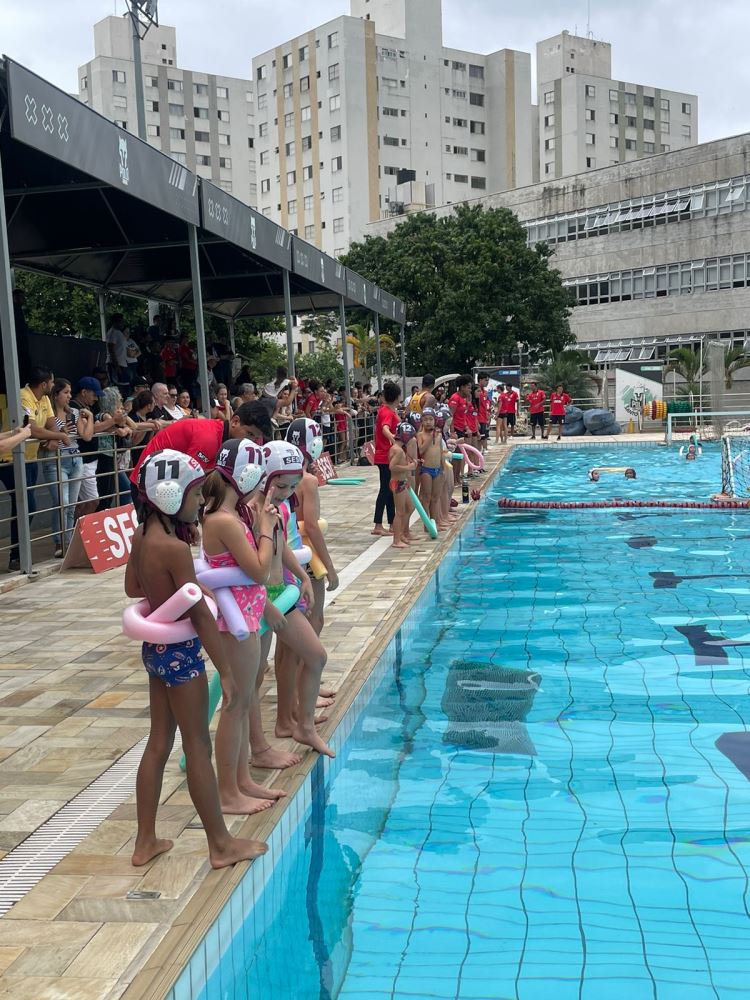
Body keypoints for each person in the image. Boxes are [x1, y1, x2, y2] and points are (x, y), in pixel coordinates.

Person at [125, 449, 266, 868]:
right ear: (169, 498)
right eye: (193, 496)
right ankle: (220, 845)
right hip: (182, 655)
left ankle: (145, 840)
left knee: (158, 743)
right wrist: (226, 671)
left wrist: (167, 594)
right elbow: (201, 616)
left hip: (155, 651)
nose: (199, 503)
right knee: (198, 746)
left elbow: (135, 588)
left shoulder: (142, 538)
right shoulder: (174, 548)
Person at [201, 439, 286, 814]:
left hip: (246, 613)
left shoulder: (231, 516)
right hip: (233, 622)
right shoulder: (223, 521)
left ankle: (241, 781)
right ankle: (227, 792)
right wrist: (267, 527)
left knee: (245, 697)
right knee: (235, 703)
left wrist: (265, 607)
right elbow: (259, 570)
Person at [254, 442, 333, 757]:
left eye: (292, 485)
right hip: (259, 600)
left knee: (315, 656)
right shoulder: (251, 510)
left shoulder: (280, 506)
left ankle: (302, 726)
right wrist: (266, 603)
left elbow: (281, 544)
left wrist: (302, 577)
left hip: (280, 591)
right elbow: (246, 567)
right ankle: (257, 748)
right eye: (281, 485)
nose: (287, 492)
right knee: (252, 681)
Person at [0, 368, 71, 571]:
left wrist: (52, 436)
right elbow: (32, 429)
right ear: (44, 384)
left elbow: (50, 425)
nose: (53, 385)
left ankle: (19, 554)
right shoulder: (24, 397)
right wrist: (58, 437)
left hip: (29, 458)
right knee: (26, 505)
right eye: (52, 382)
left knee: (27, 505)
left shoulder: (45, 399)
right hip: (10, 459)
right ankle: (17, 555)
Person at [129, 401, 275, 500]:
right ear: (235, 421)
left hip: (168, 480)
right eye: (249, 434)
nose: (251, 442)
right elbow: (191, 479)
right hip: (147, 482)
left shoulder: (227, 435)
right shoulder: (208, 438)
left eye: (256, 438)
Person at [40, 378, 94, 557]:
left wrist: (90, 418)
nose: (69, 396)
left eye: (70, 392)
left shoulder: (74, 413)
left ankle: (68, 542)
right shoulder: (49, 416)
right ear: (56, 395)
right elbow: (45, 440)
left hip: (75, 458)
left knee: (71, 504)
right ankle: (59, 542)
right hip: (56, 460)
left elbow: (86, 436)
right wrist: (59, 434)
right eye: (66, 393)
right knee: (61, 502)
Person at [372, 382, 401, 537]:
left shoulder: (388, 410)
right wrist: (393, 438)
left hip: (388, 455)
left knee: (390, 489)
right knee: (385, 489)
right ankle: (378, 524)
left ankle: (392, 523)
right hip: (385, 456)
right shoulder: (386, 412)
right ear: (397, 397)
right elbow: (385, 428)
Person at [416, 408, 448, 531]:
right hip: (426, 470)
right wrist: (430, 437)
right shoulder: (420, 435)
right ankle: (426, 524)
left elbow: (440, 452)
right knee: (426, 498)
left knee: (435, 498)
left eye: (431, 419)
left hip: (437, 469)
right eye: (425, 420)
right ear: (422, 422)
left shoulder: (439, 435)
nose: (428, 422)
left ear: (435, 421)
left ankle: (434, 523)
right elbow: (421, 450)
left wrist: (443, 468)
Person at [389, 422, 418, 549]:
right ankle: (396, 540)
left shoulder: (399, 449)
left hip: (402, 481)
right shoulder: (398, 450)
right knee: (400, 512)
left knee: (410, 507)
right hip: (397, 482)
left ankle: (401, 534)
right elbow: (392, 467)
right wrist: (409, 467)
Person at [449, 375, 472, 485]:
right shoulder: (455, 398)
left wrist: (466, 427)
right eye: (468, 387)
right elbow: (450, 416)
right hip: (456, 430)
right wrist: (452, 432)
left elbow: (462, 416)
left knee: (459, 456)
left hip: (461, 429)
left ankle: (457, 478)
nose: (470, 390)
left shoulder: (463, 399)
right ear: (462, 387)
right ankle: (454, 479)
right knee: (456, 456)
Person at [106, 314, 129, 387]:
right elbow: (111, 350)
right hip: (116, 364)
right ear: (115, 322)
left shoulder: (119, 333)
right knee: (118, 387)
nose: (122, 323)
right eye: (120, 321)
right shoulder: (113, 333)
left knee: (125, 385)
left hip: (122, 363)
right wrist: (117, 366)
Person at [476, 373, 490, 451]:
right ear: (480, 380)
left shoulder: (485, 392)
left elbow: (485, 405)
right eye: (486, 380)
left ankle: (484, 449)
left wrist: (487, 415)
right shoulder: (477, 391)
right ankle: (480, 451)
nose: (487, 382)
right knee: (480, 437)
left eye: (488, 380)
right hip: (478, 418)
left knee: (485, 436)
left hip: (484, 417)